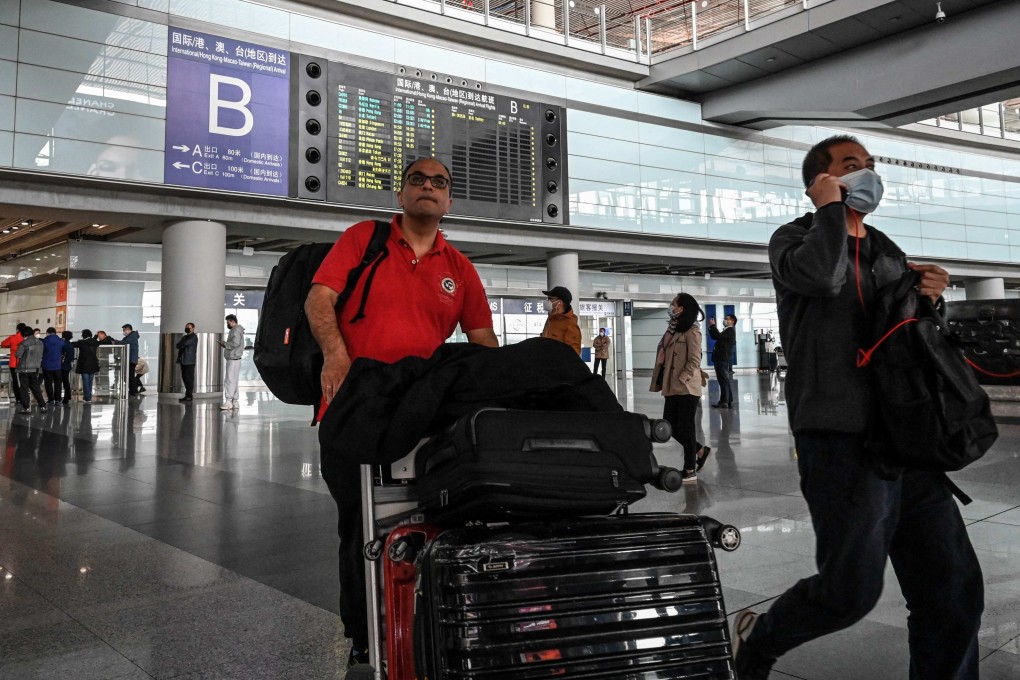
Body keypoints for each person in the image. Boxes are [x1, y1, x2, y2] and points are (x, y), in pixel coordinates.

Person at [731, 135, 983, 679]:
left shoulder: (886, 250)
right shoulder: (793, 240)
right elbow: (823, 277)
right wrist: (828, 212)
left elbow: (904, 335)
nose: (865, 173)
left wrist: (929, 298)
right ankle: (760, 639)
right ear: (818, 182)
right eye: (850, 166)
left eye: (868, 165)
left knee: (953, 591)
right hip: (841, 438)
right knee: (849, 592)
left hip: (908, 435)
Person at [305, 157, 498, 668]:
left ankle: (417, 622)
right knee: (358, 528)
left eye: (439, 183)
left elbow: (483, 344)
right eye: (418, 180)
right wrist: (336, 353)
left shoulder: (459, 268)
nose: (428, 188)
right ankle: (363, 634)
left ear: (449, 201)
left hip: (420, 418)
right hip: (352, 411)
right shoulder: (363, 240)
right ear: (402, 194)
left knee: (422, 522)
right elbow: (319, 301)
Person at [649, 292, 711, 484]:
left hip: (687, 387)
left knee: (686, 426)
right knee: (669, 426)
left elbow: (694, 359)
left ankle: (690, 469)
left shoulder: (692, 331)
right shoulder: (673, 330)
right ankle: (700, 450)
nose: (671, 307)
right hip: (671, 385)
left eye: (674, 304)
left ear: (682, 308)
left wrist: (683, 378)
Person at [539, 286, 581, 355]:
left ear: (559, 302)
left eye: (550, 299)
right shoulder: (550, 319)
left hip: (557, 365)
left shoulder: (570, 325)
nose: (547, 301)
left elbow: (573, 355)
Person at [14, 326, 46, 413]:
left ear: (24, 334)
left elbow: (18, 355)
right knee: (35, 387)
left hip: (24, 369)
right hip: (35, 368)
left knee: (24, 388)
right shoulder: (40, 343)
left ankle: (26, 408)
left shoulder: (24, 343)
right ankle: (43, 406)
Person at [708, 314, 737, 408]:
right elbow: (715, 337)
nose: (724, 320)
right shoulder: (727, 331)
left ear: (732, 321)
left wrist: (712, 326)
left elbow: (717, 336)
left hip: (721, 358)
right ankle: (728, 400)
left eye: (727, 319)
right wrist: (711, 327)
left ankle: (724, 401)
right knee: (724, 380)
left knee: (722, 380)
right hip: (720, 358)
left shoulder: (730, 330)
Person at [218, 314, 245, 410]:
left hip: (233, 358)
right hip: (236, 359)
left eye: (228, 322)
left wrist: (225, 344)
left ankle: (228, 401)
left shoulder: (236, 330)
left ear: (233, 321)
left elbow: (235, 343)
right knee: (234, 380)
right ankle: (235, 401)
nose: (227, 324)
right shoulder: (238, 330)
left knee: (229, 380)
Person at [2, 322, 28, 403]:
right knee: (25, 381)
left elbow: (3, 344)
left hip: (14, 363)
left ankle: (18, 399)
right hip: (25, 363)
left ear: (17, 329)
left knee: (16, 382)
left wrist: (10, 345)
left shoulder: (12, 338)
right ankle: (25, 398)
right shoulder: (27, 338)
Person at [73, 330, 100, 403]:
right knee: (90, 382)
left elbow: (72, 344)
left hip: (84, 365)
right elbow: (92, 341)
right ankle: (88, 397)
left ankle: (87, 398)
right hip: (93, 364)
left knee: (85, 382)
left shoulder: (81, 342)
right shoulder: (95, 342)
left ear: (83, 335)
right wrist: (96, 336)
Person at [41, 327, 65, 405]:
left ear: (47, 333)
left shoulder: (44, 341)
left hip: (47, 365)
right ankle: (58, 400)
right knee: (58, 383)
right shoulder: (61, 341)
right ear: (55, 333)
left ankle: (51, 400)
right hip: (58, 365)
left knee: (48, 383)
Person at [116, 324, 142, 395]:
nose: (124, 332)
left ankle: (133, 391)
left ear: (128, 329)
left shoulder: (132, 336)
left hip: (131, 359)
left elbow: (124, 343)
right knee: (130, 376)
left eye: (124, 330)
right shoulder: (130, 336)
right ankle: (133, 390)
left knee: (130, 376)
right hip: (130, 359)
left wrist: (115, 342)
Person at [176, 323, 198, 402]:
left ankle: (189, 395)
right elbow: (178, 345)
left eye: (189, 327)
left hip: (190, 361)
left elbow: (185, 343)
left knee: (189, 379)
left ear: (193, 328)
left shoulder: (194, 337)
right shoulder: (185, 337)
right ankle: (187, 395)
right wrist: (182, 344)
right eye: (186, 327)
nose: (187, 329)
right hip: (183, 360)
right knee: (185, 378)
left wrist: (183, 344)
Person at [60, 331, 75, 405]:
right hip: (67, 365)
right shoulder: (70, 345)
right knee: (66, 382)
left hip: (60, 365)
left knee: (58, 381)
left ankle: (58, 397)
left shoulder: (62, 343)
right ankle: (67, 396)